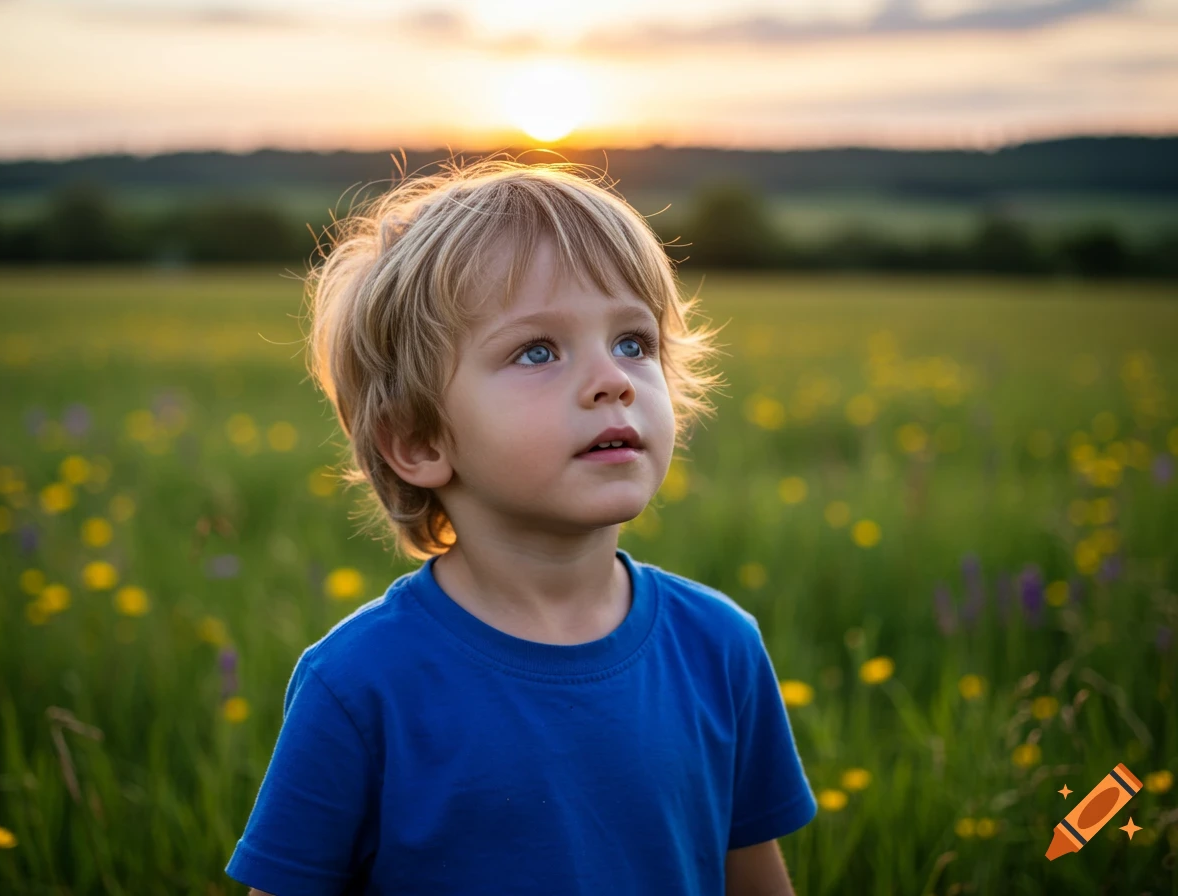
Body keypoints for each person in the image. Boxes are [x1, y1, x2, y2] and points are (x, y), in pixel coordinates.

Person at [225, 155, 818, 896]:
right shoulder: (359, 687)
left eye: (634, 342)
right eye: (538, 351)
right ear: (420, 441)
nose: (614, 379)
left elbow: (755, 882)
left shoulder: (721, 647)